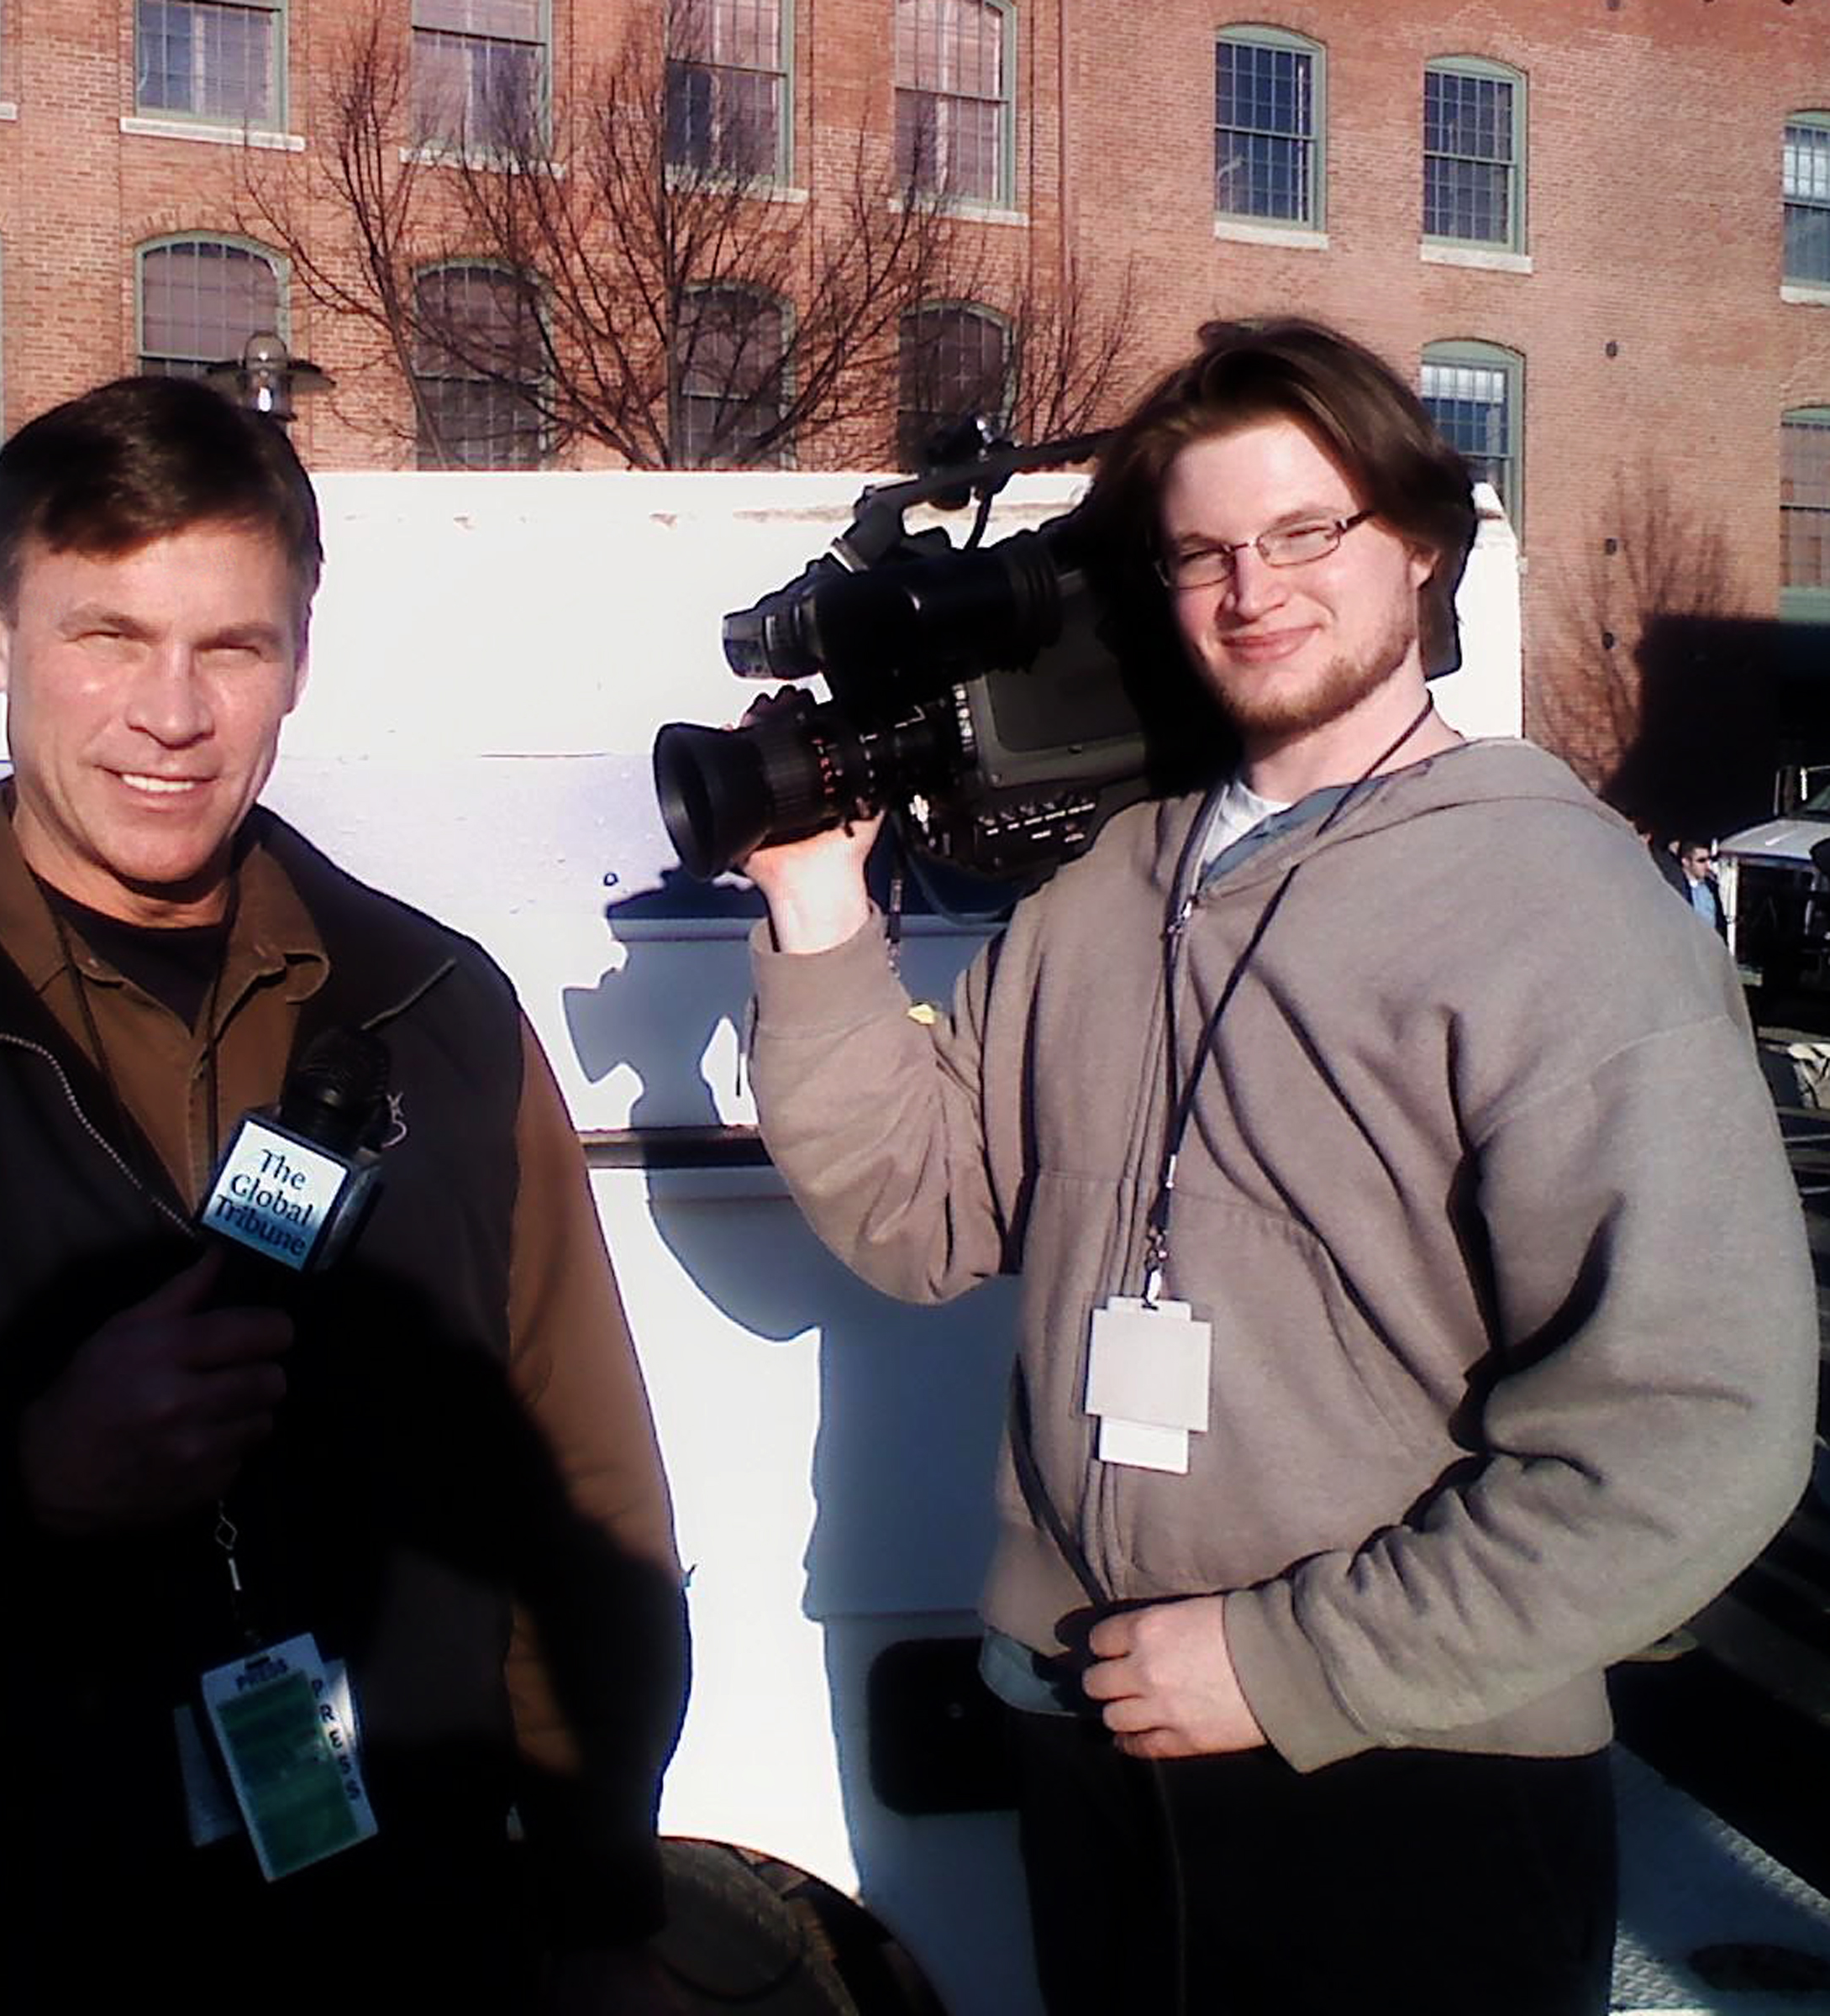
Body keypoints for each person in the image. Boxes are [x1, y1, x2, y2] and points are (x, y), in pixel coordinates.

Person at [0, 377, 688, 2013]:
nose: (173, 713)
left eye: (234, 646)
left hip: (418, 1959)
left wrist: (598, 1907)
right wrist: (8, 1486)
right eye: (108, 635)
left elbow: (582, 1507)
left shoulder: (440, 1015)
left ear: (299, 656)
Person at [740, 320, 1817, 2016]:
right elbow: (921, 1213)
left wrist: (1285, 1662)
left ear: (1420, 547)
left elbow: (1695, 1434)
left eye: (1305, 532)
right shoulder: (1111, 883)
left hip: (1407, 1783)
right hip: (1089, 1744)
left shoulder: (1563, 911)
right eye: (1203, 553)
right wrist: (815, 914)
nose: (1255, 588)